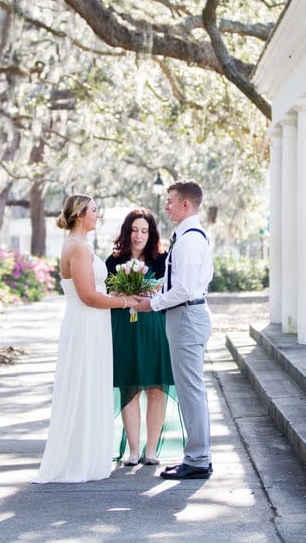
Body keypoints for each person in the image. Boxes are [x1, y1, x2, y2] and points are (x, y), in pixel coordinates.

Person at [33, 194, 134, 483]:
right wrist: (125, 302)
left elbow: (94, 292)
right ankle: (78, 460)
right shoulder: (76, 248)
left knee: (90, 385)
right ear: (80, 215)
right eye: (94, 210)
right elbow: (88, 297)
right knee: (83, 385)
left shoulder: (81, 246)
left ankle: (89, 455)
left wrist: (119, 296)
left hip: (94, 324)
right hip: (85, 325)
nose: (98, 215)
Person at [135, 180, 214, 480]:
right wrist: (156, 294)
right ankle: (198, 456)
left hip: (186, 317)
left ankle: (197, 459)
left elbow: (184, 289)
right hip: (183, 315)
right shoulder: (186, 236)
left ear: (185, 204)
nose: (166, 206)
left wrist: (151, 305)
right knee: (189, 388)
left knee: (190, 390)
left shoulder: (191, 239)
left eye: (170, 201)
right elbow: (180, 284)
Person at [105, 208, 181, 467]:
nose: (139, 236)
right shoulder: (114, 261)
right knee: (131, 387)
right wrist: (123, 297)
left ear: (152, 234)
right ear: (127, 232)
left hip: (155, 328)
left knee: (156, 388)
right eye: (135, 230)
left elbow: (172, 290)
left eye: (144, 231)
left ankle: (152, 451)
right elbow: (105, 294)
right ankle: (133, 451)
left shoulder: (162, 259)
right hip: (124, 328)